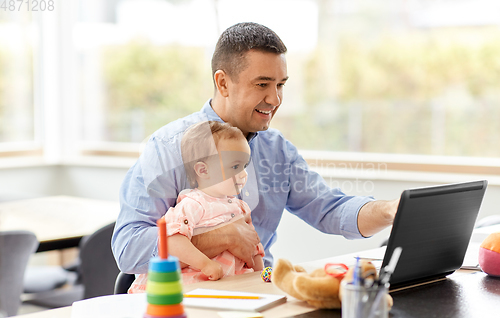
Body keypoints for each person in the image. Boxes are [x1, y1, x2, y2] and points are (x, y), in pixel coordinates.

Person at [112, 22, 399, 274]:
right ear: (223, 83)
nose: (274, 99)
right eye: (262, 84)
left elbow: (329, 210)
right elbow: (128, 248)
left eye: (281, 85)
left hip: (259, 293)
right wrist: (220, 237)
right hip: (189, 302)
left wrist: (389, 211)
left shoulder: (277, 150)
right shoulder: (168, 148)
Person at [127, 121, 264, 292]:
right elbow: (171, 239)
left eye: (244, 166)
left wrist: (261, 276)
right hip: (191, 290)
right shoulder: (193, 204)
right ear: (203, 171)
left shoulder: (241, 208)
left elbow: (253, 247)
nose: (244, 174)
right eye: (235, 167)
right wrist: (205, 264)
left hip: (227, 289)